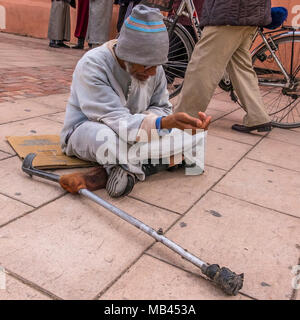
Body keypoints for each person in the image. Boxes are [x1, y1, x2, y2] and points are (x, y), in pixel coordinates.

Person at [60, 4, 211, 198]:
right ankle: (157, 163)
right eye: (148, 66)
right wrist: (160, 124)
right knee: (106, 138)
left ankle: (119, 169)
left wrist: (169, 123)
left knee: (195, 136)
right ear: (127, 55)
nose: (154, 72)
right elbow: (115, 119)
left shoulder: (153, 69)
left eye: (157, 65)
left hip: (136, 132)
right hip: (89, 130)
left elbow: (162, 107)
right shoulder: (93, 65)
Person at [175, 0, 273, 133]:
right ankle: (258, 116)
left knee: (203, 66)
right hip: (252, 12)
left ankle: (185, 117)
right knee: (240, 67)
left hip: (229, 12)